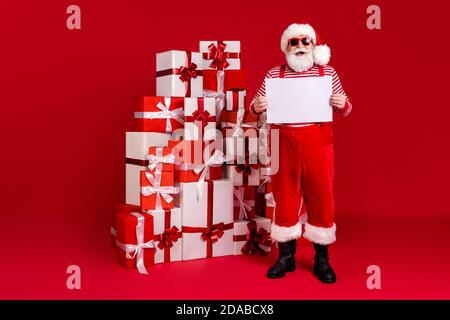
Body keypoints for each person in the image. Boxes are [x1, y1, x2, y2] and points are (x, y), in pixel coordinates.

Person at [250, 23, 352, 283]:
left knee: (321, 195)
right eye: (293, 42)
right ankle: (286, 257)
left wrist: (343, 104)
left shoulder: (327, 73)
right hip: (284, 142)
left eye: (305, 41)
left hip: (318, 143)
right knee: (284, 195)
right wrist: (256, 105)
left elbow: (346, 106)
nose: (299, 47)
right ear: (286, 46)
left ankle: (322, 258)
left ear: (314, 46)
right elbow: (254, 106)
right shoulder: (274, 75)